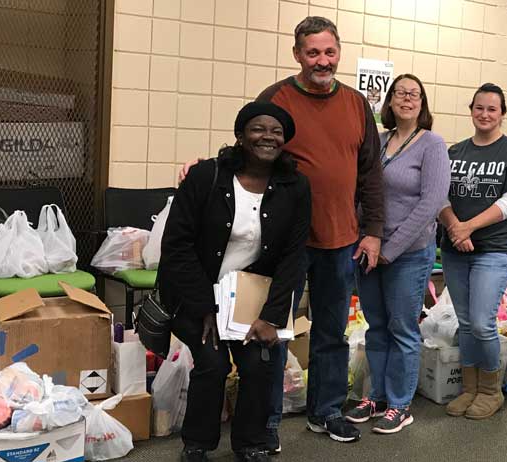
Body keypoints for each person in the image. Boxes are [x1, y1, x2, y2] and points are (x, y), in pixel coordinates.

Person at [180, 16, 384, 446]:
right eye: (313, 52)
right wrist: (203, 168)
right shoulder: (276, 97)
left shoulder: (356, 104)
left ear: (339, 53)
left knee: (332, 333)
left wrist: (373, 230)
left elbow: (371, 173)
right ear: (297, 55)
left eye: (329, 52)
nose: (322, 60)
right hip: (277, 244)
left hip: (340, 237)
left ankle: (325, 411)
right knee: (269, 333)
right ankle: (264, 424)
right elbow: (248, 145)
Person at [159, 102, 310, 462]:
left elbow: (293, 255)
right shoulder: (206, 177)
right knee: (212, 363)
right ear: (240, 136)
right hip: (195, 293)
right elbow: (176, 246)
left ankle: (251, 442)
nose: (268, 137)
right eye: (258, 129)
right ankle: (196, 445)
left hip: (249, 296)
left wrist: (272, 316)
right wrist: (204, 307)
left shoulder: (295, 186)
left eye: (276, 132)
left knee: (259, 363)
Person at [344, 74, 450, 434]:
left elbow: (431, 204)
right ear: (389, 101)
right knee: (376, 327)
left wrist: (389, 249)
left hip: (408, 253)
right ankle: (377, 396)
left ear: (422, 104)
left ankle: (401, 404)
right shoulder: (379, 139)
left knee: (402, 328)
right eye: (401, 93)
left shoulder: (432, 144)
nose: (407, 99)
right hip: (368, 248)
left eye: (415, 94)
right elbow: (362, 190)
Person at [438, 83, 507, 420]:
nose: (485, 114)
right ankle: (470, 388)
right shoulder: (455, 151)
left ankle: (492, 391)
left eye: (492, 109)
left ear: (502, 113)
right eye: (479, 108)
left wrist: (469, 227)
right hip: (454, 248)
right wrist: (454, 227)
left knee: (481, 322)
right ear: (471, 110)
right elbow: (439, 196)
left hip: (493, 250)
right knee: (464, 323)